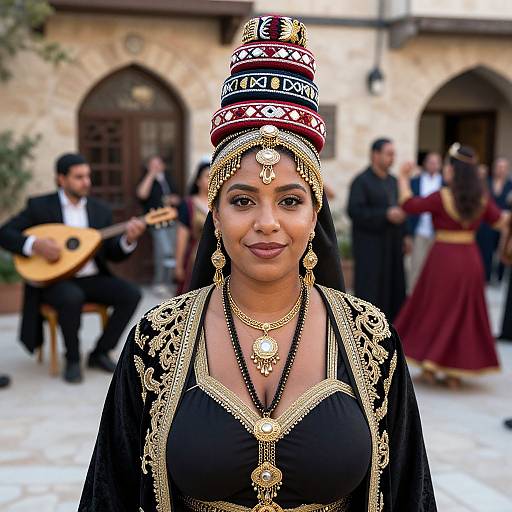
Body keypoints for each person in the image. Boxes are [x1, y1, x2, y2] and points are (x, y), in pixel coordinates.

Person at [80, 16, 436, 512]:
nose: (267, 223)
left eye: (289, 201)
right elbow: (108, 496)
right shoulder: (155, 341)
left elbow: (408, 495)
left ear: (315, 215)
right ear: (216, 213)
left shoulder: (370, 339)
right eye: (243, 201)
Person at [0, 153, 145, 383]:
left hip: (92, 278)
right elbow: (5, 233)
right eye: (79, 177)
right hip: (55, 281)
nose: (86, 182)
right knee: (70, 297)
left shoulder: (100, 210)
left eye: (88, 176)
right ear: (61, 179)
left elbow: (112, 254)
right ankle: (73, 359)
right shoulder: (40, 206)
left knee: (131, 294)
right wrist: (34, 244)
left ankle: (99, 352)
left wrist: (128, 240)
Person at [395, 144, 508, 388]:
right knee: (463, 315)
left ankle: (431, 364)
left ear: (453, 169)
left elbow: (409, 206)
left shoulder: (442, 196)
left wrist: (403, 178)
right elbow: (500, 221)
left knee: (436, 310)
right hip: (470, 260)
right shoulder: (481, 198)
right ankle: (454, 371)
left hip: (443, 259)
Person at [347, 138, 407, 320]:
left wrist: (406, 235)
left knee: (393, 288)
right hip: (370, 248)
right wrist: (385, 215)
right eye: (389, 154)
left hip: (393, 246)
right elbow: (354, 211)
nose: (392, 158)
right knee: (370, 291)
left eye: (393, 154)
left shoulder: (394, 181)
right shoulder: (361, 181)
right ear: (375, 155)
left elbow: (402, 207)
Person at [136, 155, 181, 296]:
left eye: (158, 164)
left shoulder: (168, 178)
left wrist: (174, 199)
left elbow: (179, 197)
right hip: (156, 221)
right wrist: (151, 174)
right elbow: (141, 194)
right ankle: (159, 282)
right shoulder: (147, 179)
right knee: (163, 251)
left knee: (172, 252)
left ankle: (168, 282)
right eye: (152, 164)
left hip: (172, 220)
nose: (156, 167)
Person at [406, 152, 443, 291]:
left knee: (437, 269)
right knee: (416, 266)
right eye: (430, 162)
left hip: (438, 233)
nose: (433, 165)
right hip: (420, 231)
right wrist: (408, 233)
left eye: (436, 162)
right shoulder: (415, 181)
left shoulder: (445, 183)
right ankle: (412, 297)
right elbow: (409, 208)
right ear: (425, 164)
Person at [174, 159, 210, 294]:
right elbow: (181, 237)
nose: (211, 180)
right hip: (195, 259)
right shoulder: (189, 204)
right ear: (198, 181)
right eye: (207, 176)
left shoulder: (222, 203)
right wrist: (178, 266)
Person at [477, 158, 512, 282]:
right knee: (486, 250)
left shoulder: (510, 185)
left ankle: (500, 278)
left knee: (503, 250)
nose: (501, 170)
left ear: (507, 169)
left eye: (504, 167)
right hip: (488, 223)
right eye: (499, 167)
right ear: (494, 168)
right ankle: (485, 277)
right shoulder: (486, 183)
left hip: (506, 224)